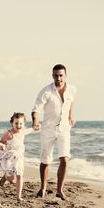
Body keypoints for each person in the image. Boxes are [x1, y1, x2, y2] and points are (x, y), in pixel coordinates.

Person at [31, 64, 77, 200]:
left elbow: (71, 102)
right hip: (48, 129)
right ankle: (43, 188)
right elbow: (36, 109)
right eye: (56, 75)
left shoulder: (72, 89)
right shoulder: (46, 92)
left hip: (64, 129)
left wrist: (71, 116)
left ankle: (59, 190)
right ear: (52, 76)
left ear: (65, 76)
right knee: (45, 161)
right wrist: (35, 121)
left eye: (61, 75)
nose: (58, 78)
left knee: (65, 158)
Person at [0, 112, 37, 201]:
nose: (18, 125)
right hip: (9, 158)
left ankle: (18, 196)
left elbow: (31, 129)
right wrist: (3, 146)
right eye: (16, 123)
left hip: (19, 158)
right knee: (11, 178)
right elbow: (1, 142)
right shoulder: (9, 133)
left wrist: (35, 127)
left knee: (20, 175)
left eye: (21, 123)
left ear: (24, 123)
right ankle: (6, 177)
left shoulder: (23, 131)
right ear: (12, 123)